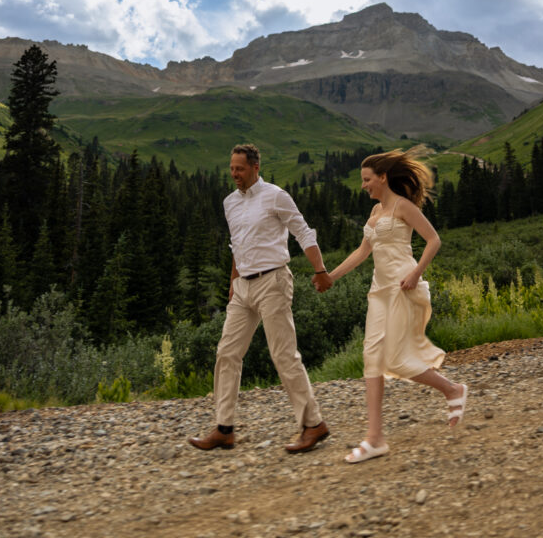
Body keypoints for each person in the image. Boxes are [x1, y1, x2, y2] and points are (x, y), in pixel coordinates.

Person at [322, 149, 467, 463]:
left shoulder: (403, 207)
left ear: (383, 177)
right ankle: (375, 439)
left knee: (397, 361)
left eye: (367, 180)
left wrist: (417, 273)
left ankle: (452, 390)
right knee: (371, 358)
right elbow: (362, 252)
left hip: (403, 287)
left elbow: (434, 240)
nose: (363, 186)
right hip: (379, 292)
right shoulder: (374, 214)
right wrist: (330, 276)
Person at [189, 143, 333, 454]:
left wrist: (320, 270)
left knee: (283, 354)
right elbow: (236, 246)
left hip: (273, 281)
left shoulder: (276, 196)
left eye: (239, 169)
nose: (234, 175)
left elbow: (303, 232)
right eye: (231, 169)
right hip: (243, 287)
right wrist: (233, 283)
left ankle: (313, 424)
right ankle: (224, 429)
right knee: (227, 353)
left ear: (255, 167)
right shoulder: (230, 202)